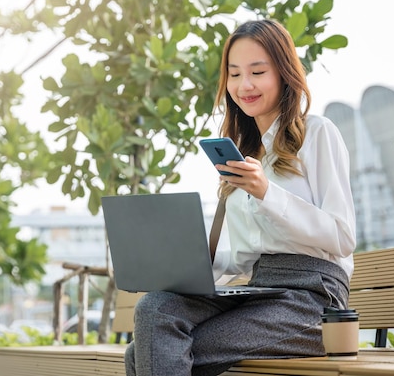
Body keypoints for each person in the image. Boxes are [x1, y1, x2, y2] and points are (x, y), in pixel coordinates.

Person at [123, 19, 356, 376]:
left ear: (283, 72)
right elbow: (245, 259)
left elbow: (342, 237)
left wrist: (267, 192)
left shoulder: (317, 133)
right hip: (260, 290)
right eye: (234, 74)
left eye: (257, 71)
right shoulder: (245, 153)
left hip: (314, 299)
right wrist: (184, 266)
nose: (244, 85)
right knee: (156, 309)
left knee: (144, 353)